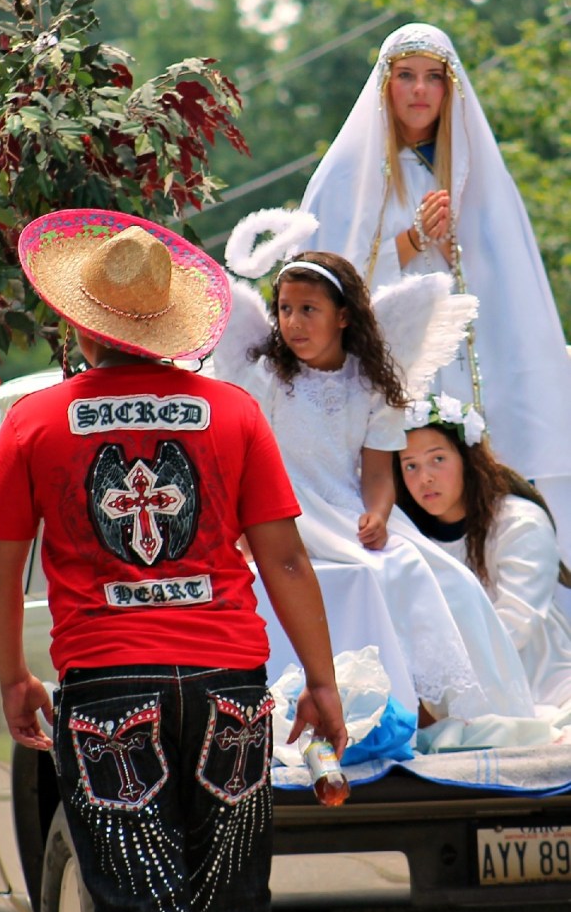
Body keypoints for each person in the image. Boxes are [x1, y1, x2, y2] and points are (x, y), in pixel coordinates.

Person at [0, 208, 347, 912]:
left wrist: (15, 677)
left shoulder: (31, 421)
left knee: (136, 906)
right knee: (232, 903)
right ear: (168, 326)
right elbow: (287, 562)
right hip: (229, 686)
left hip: (107, 688)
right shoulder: (233, 412)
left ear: (81, 325)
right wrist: (321, 681)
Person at [213, 248, 538, 729]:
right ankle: (372, 699)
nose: (293, 322)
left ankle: (436, 705)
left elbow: (378, 472)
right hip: (289, 509)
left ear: (343, 316)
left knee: (443, 576)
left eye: (309, 309)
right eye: (285, 309)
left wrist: (380, 514)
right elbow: (243, 463)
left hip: (349, 508)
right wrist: (243, 527)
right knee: (375, 574)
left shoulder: (370, 384)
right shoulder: (270, 378)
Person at [298, 21, 571, 575]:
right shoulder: (347, 175)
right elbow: (325, 286)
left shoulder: (477, 174)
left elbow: (510, 288)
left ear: (450, 88)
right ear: (386, 84)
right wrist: (413, 241)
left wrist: (453, 251)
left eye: (433, 77)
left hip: (469, 374)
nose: (419, 90)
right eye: (406, 76)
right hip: (388, 376)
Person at [394, 392, 571, 715]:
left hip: (544, 686)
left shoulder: (520, 523)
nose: (425, 478)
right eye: (411, 466)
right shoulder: (408, 539)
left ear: (467, 459)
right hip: (456, 700)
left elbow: (517, 620)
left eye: (438, 459)